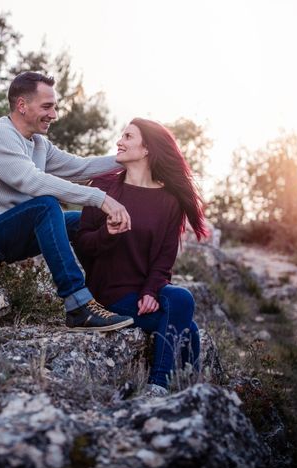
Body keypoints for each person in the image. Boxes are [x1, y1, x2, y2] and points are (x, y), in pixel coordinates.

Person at [0, 71, 134, 332]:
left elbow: (80, 168)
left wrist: (126, 159)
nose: (54, 114)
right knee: (46, 206)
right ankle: (78, 307)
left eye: (55, 107)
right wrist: (99, 197)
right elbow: (32, 182)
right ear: (22, 105)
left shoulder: (38, 144)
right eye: (47, 106)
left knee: (84, 221)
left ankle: (101, 297)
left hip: (7, 236)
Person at [74, 118, 208, 395]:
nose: (118, 142)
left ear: (147, 148)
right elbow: (83, 244)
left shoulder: (170, 201)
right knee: (188, 328)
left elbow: (164, 259)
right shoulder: (101, 187)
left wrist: (151, 291)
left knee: (181, 300)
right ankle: (167, 389)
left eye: (127, 136)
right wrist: (108, 233)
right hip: (108, 294)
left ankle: (179, 392)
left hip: (144, 295)